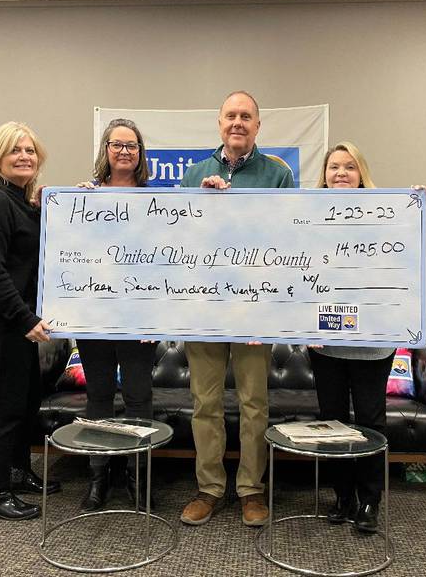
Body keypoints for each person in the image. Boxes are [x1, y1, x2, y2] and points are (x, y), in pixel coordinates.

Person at [179, 91, 294, 527]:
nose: (238, 122)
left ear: (258, 126)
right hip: (205, 306)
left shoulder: (277, 174)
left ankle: (250, 491)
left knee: (254, 403)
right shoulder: (195, 173)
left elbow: (288, 238)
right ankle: (209, 489)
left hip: (253, 309)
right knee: (204, 403)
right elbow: (181, 240)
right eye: (231, 115)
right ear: (220, 123)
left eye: (246, 116)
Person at [309, 141, 426, 533]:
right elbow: (295, 272)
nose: (340, 173)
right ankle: (342, 497)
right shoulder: (306, 217)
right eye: (333, 168)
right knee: (332, 422)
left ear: (361, 174)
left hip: (372, 344)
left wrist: (418, 206)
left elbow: (403, 261)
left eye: (349, 167)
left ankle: (369, 501)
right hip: (325, 343)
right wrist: (299, 326)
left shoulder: (386, 216)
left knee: (371, 421)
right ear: (324, 176)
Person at [0, 121, 60, 521]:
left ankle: (19, 472)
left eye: (30, 151)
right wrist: (25, 319)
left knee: (25, 401)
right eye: (15, 151)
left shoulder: (21, 201)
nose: (24, 156)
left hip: (17, 321)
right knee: (4, 407)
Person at [75, 118, 158, 512]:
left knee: (139, 397)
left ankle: (136, 477)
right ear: (105, 150)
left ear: (141, 153)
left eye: (132, 145)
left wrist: (156, 317)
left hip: (139, 319)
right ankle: (99, 477)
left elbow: (167, 263)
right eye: (117, 144)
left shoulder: (157, 201)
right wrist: (66, 208)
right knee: (100, 396)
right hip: (95, 315)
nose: (124, 151)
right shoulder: (86, 198)